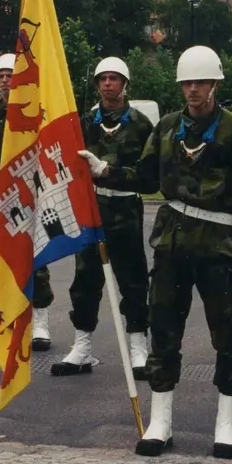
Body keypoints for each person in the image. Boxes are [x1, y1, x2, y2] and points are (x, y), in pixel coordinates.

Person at [80, 45, 232, 460]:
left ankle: (225, 424)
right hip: (171, 244)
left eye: (200, 82)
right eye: (187, 82)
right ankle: (161, 422)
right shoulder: (167, 127)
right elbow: (146, 176)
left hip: (219, 245)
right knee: (164, 331)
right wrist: (107, 171)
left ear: (216, 84)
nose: (193, 90)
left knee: (227, 333)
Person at [54, 56, 154, 379]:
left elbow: (150, 177)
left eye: (114, 78)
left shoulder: (141, 125)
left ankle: (138, 346)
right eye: (103, 79)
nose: (108, 83)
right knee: (85, 279)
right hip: (92, 209)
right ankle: (82, 347)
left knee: (133, 278)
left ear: (126, 84)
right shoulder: (84, 123)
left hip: (125, 209)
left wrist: (110, 172)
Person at [0, 53, 54, 350]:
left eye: (9, 74)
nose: (4, 79)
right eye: (0, 75)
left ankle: (41, 322)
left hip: (31, 195)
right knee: (1, 260)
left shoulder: (35, 115)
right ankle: (6, 319)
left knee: (35, 260)